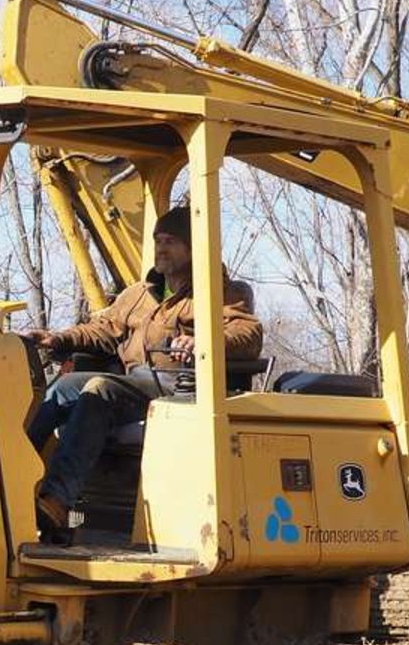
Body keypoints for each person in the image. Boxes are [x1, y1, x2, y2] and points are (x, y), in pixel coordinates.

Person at [25, 204, 262, 542]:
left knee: (99, 389)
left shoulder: (217, 292)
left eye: (171, 241)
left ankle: (58, 501)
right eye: (157, 240)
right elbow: (103, 329)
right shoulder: (140, 293)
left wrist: (205, 341)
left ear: (194, 248)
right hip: (135, 381)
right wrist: (58, 338)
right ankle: (11, 481)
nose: (161, 249)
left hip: (180, 386)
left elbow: (247, 334)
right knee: (62, 388)